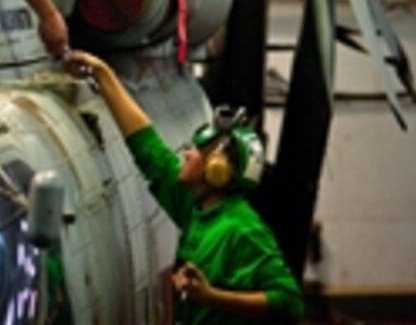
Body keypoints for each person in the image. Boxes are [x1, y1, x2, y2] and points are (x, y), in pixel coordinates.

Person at [64, 50, 304, 323]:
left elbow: (290, 303)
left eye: (196, 152)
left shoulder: (241, 229)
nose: (187, 154)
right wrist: (103, 74)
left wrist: (211, 296)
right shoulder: (197, 207)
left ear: (217, 171)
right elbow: (150, 151)